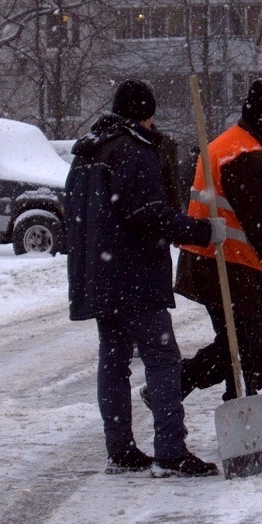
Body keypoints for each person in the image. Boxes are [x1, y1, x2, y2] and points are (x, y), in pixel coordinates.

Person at [65, 79, 223, 478]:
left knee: (114, 362)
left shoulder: (88, 152)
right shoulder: (134, 150)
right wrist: (202, 231)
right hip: (133, 276)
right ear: (145, 113)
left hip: (99, 275)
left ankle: (119, 448)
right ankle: (170, 451)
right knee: (163, 359)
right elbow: (147, 214)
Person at [171, 78, 262, 404]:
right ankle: (172, 385)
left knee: (239, 348)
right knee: (248, 353)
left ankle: (228, 408)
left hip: (209, 261)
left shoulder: (227, 144)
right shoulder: (247, 156)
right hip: (228, 266)